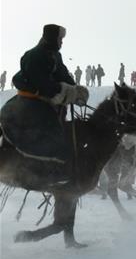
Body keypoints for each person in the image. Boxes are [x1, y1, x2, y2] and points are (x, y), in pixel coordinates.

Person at [0, 24, 88, 176]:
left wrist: (76, 90)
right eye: (60, 38)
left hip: (48, 101)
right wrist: (65, 91)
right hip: (32, 100)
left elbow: (63, 74)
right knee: (52, 134)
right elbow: (43, 84)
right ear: (52, 38)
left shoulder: (55, 55)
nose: (62, 42)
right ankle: (46, 169)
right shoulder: (34, 55)